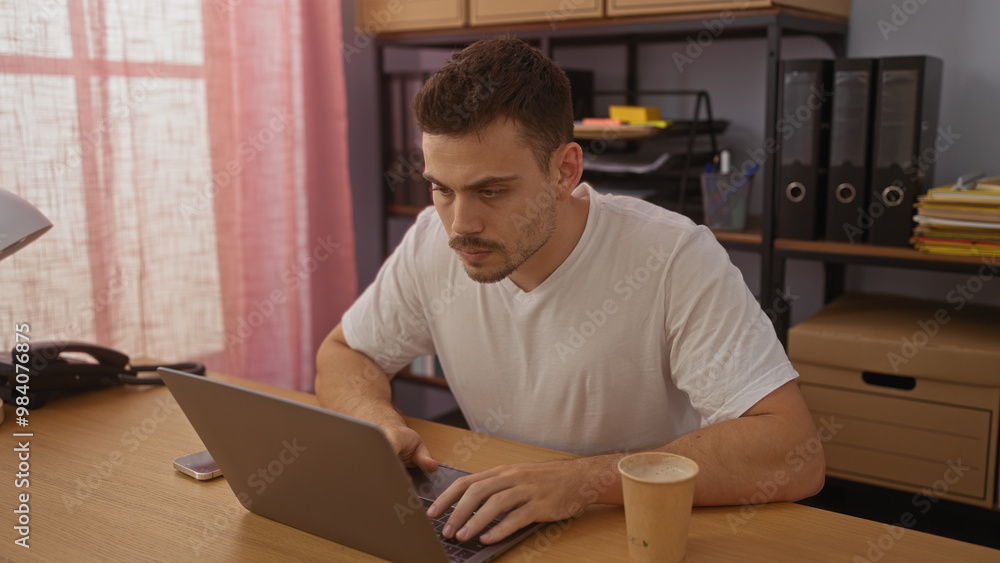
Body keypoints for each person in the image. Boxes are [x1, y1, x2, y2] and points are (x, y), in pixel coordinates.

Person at [315, 36, 824, 546]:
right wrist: (374, 420)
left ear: (565, 170)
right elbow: (345, 352)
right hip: (494, 520)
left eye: (491, 191)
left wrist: (585, 481)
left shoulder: (673, 256)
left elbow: (793, 450)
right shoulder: (432, 237)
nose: (459, 225)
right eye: (442, 188)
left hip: (634, 531)